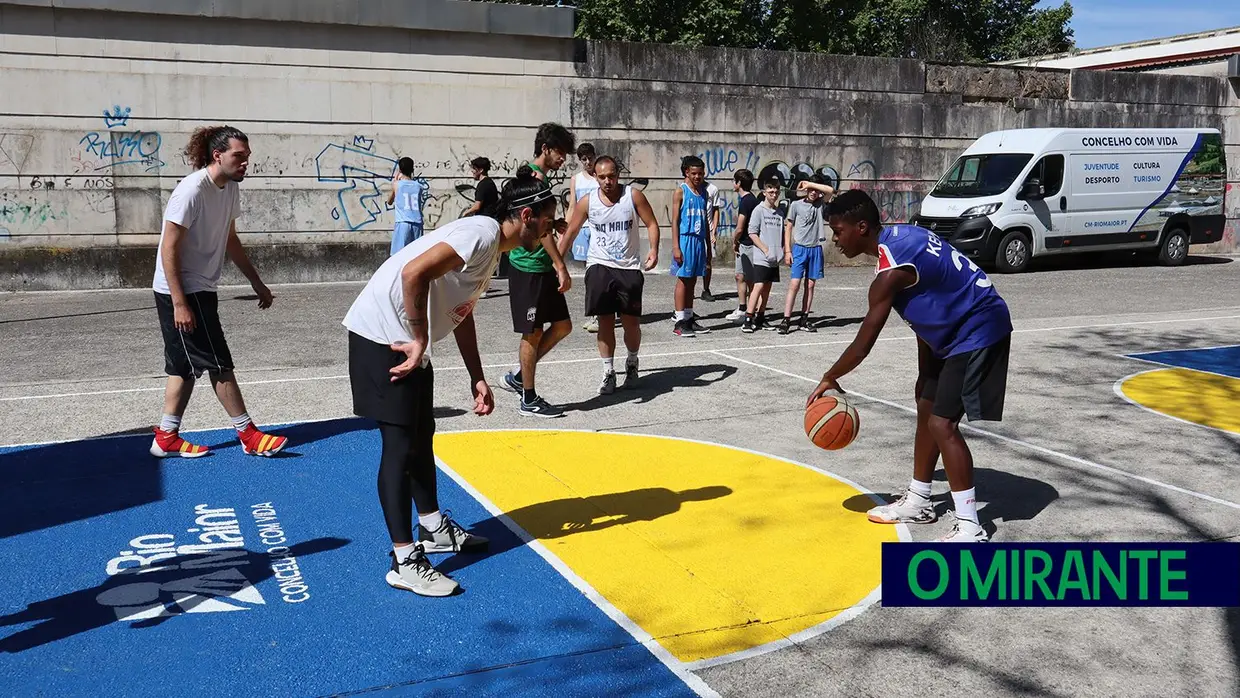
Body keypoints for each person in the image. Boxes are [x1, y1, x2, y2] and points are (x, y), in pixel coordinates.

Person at [342, 167, 558, 596]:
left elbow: (462, 312)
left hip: (406, 339)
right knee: (400, 447)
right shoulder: (480, 233)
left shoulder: (491, 245)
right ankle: (404, 560)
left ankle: (433, 527)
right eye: (550, 221)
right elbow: (412, 274)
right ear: (529, 215)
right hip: (383, 336)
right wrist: (420, 338)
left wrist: (477, 376)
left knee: (423, 434)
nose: (553, 230)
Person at [805, 190, 1013, 543]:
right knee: (927, 404)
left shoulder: (890, 272)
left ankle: (971, 526)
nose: (835, 239)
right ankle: (919, 500)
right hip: (957, 327)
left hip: (980, 327)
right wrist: (926, 374)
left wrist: (830, 376)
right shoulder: (905, 235)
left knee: (942, 424)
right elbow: (931, 299)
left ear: (861, 227)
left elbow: (864, 341)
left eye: (838, 231)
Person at [149, 125, 287, 459]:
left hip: (201, 287)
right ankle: (247, 433)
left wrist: (256, 281)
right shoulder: (191, 191)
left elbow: (230, 240)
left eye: (247, 157)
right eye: (239, 156)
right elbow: (168, 247)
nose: (245, 163)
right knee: (218, 361)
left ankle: (166, 435)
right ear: (218, 155)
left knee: (184, 365)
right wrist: (180, 303)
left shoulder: (229, 189)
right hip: (182, 288)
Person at [558, 155, 660, 394]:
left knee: (631, 323)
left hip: (628, 267)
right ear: (595, 176)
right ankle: (608, 372)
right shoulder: (587, 202)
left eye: (611, 176)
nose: (607, 181)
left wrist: (654, 249)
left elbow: (652, 224)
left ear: (618, 175)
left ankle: (632, 362)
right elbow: (571, 231)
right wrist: (557, 263)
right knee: (604, 321)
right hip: (599, 265)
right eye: (602, 177)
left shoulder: (633, 196)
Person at [499, 122, 576, 418]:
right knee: (532, 333)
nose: (563, 159)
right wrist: (560, 265)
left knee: (563, 326)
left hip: (539, 266)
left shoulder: (540, 180)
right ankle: (528, 399)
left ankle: (520, 376)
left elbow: (540, 225)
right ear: (545, 149)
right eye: (561, 153)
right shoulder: (533, 180)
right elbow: (536, 232)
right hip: (529, 265)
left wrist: (552, 223)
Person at [779, 176, 835, 334]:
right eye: (811, 190)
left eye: (816, 190)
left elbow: (830, 191)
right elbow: (788, 227)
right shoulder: (796, 205)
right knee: (794, 284)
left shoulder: (820, 205)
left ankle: (804, 319)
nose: (813, 192)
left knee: (810, 285)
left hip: (815, 248)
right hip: (799, 249)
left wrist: (811, 184)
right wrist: (788, 251)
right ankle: (786, 319)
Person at [669, 156, 711, 337]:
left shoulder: (704, 193)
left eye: (701, 173)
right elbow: (675, 221)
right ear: (686, 172)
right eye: (694, 173)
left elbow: (706, 222)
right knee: (683, 280)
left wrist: (709, 246)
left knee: (693, 279)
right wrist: (676, 246)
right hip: (685, 240)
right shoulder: (681, 191)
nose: (698, 177)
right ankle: (679, 321)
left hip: (699, 240)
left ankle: (688, 317)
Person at [741, 179, 785, 333]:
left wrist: (782, 251)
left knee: (767, 288)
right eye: (770, 192)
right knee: (758, 286)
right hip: (762, 256)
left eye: (776, 192)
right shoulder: (758, 210)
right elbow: (752, 233)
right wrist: (765, 249)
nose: (773, 195)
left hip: (775, 257)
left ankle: (760, 316)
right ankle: (748, 318)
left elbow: (782, 234)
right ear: (764, 192)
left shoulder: (780, 213)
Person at [571, 143, 601, 334]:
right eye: (584, 159)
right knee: (589, 274)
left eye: (590, 157)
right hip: (582, 230)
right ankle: (594, 313)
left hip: (598, 229)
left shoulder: (601, 177)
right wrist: (568, 230)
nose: (588, 162)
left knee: (598, 272)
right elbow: (572, 206)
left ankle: (599, 315)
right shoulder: (576, 179)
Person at [726, 169, 759, 323]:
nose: (733, 184)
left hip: (748, 245)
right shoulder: (750, 199)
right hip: (746, 244)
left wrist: (734, 241)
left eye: (735, 181)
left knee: (750, 279)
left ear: (739, 183)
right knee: (740, 276)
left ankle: (752, 312)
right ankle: (742, 308)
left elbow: (740, 227)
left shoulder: (747, 201)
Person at [386, 157, 424, 256]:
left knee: (398, 255)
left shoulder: (397, 184)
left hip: (403, 223)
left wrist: (395, 180)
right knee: (416, 255)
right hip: (417, 224)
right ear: (412, 169)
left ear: (400, 170)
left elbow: (389, 202)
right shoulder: (419, 186)